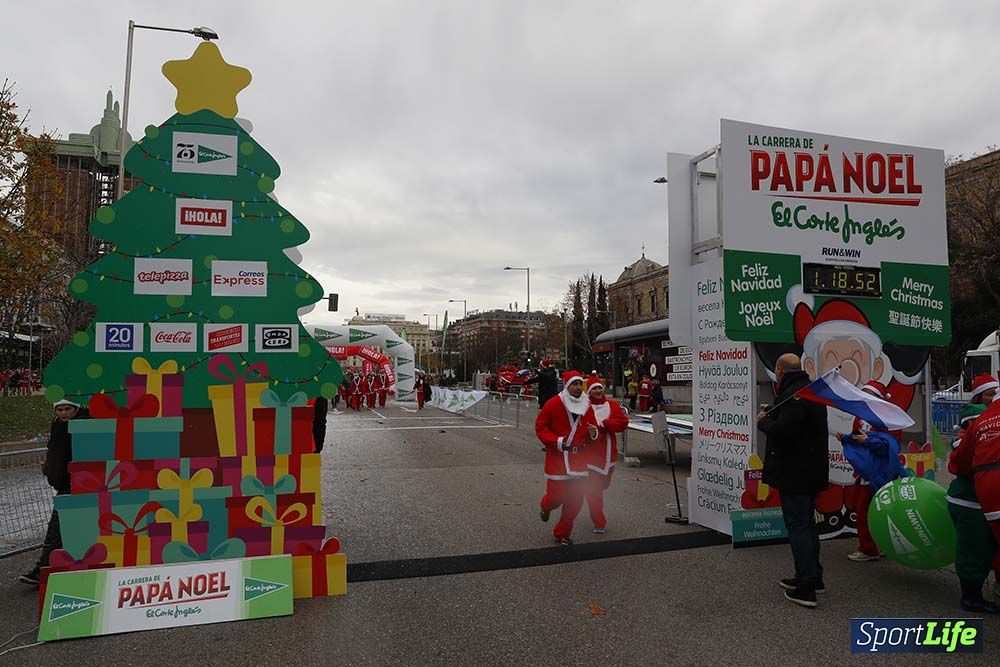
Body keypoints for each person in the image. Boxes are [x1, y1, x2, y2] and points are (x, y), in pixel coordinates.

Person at [756, 353, 829, 608]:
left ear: (779, 370)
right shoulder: (808, 390)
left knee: (799, 526)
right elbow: (798, 427)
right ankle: (810, 575)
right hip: (809, 471)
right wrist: (774, 415)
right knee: (806, 524)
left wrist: (764, 422)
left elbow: (785, 432)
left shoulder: (793, 395)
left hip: (796, 473)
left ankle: (807, 585)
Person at [19, 398, 90, 585]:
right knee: (64, 529)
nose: (64, 413)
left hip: (79, 483)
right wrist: (49, 469)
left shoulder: (83, 424)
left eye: (68, 409)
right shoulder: (57, 425)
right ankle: (53, 567)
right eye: (60, 409)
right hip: (65, 482)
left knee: (57, 528)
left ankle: (44, 569)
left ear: (76, 408)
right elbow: (55, 452)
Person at [947, 373, 1000, 612]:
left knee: (988, 547)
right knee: (974, 549)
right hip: (969, 502)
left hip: (983, 500)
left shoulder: (982, 423)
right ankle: (970, 597)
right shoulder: (966, 435)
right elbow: (960, 464)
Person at [838, 380, 905, 563]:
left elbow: (889, 447)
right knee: (864, 510)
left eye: (870, 394)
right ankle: (873, 546)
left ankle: (870, 549)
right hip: (866, 472)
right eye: (864, 393)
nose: (865, 397)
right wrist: (847, 439)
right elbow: (857, 438)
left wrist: (867, 441)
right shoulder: (860, 417)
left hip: (882, 473)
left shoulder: (889, 418)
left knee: (874, 511)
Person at [535, 371, 600, 545]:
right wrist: (556, 441)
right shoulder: (554, 404)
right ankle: (545, 506)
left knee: (575, 501)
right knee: (556, 497)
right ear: (566, 385)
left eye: (580, 384)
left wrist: (594, 433)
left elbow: (592, 427)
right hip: (558, 458)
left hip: (579, 459)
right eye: (574, 384)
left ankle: (562, 533)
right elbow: (541, 426)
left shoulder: (587, 405)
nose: (579, 388)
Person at [585, 380, 629, 534]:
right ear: (589, 392)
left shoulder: (612, 405)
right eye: (594, 388)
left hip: (609, 454)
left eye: (599, 388)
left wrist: (604, 425)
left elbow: (623, 423)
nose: (597, 391)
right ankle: (599, 521)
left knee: (603, 485)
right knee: (594, 490)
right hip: (590, 455)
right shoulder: (583, 406)